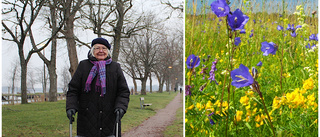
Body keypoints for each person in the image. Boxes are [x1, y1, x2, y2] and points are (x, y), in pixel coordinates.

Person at [66, 37, 130, 137]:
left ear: (108, 51)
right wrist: (71, 107)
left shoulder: (115, 67)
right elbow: (73, 90)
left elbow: (123, 91)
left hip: (110, 120)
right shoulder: (83, 66)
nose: (101, 51)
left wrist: (121, 107)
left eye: (104, 48)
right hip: (86, 120)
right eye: (97, 48)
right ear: (92, 51)